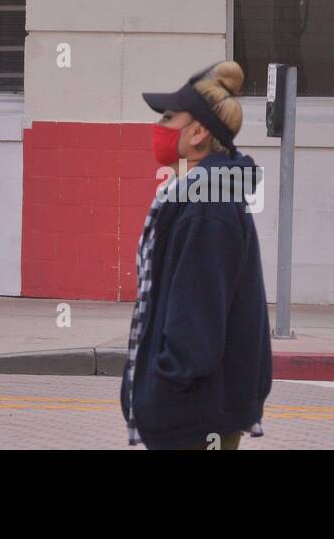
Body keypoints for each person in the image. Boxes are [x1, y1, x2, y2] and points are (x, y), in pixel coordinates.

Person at [119, 61, 272, 450]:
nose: (159, 126)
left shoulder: (208, 207)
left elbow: (196, 320)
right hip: (196, 411)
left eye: (170, 117)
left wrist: (164, 387)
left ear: (199, 132)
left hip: (194, 415)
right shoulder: (200, 197)